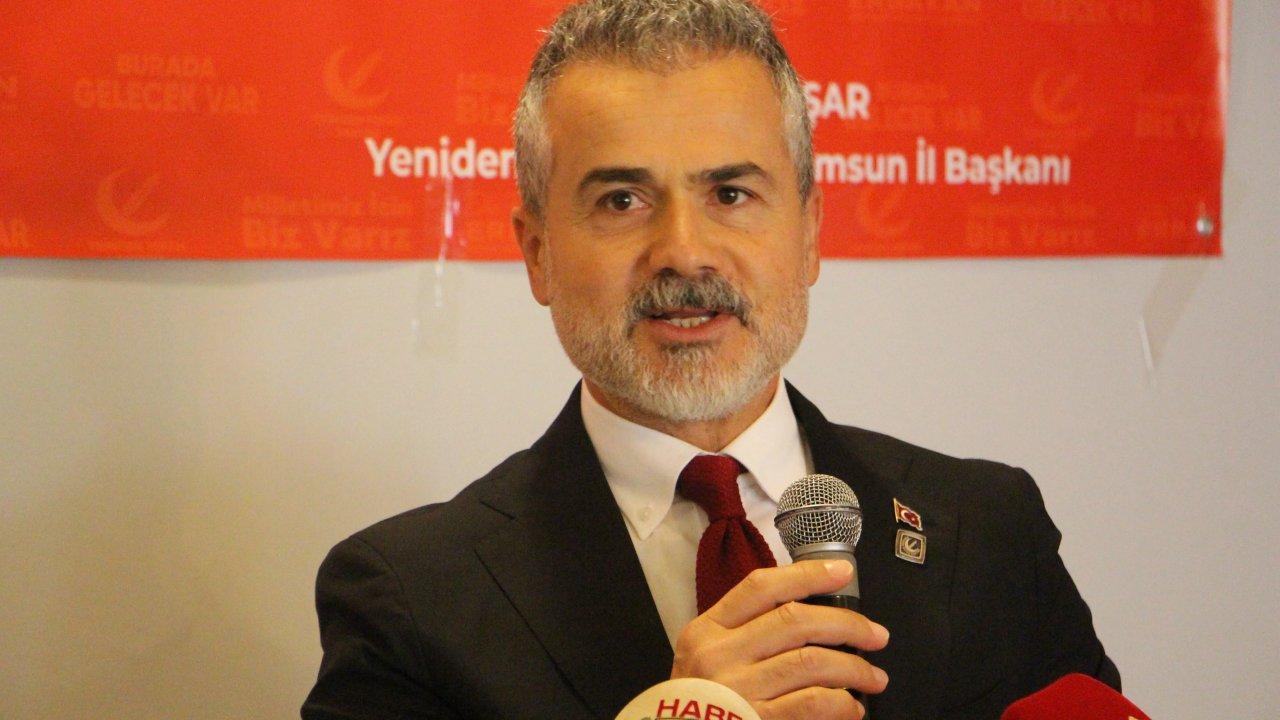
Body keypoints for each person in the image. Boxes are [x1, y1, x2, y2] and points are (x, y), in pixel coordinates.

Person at [301, 1, 1118, 718]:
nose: (684, 252)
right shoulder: (409, 601)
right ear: (538, 252)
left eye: (730, 194)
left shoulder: (989, 533)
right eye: (622, 200)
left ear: (809, 234)